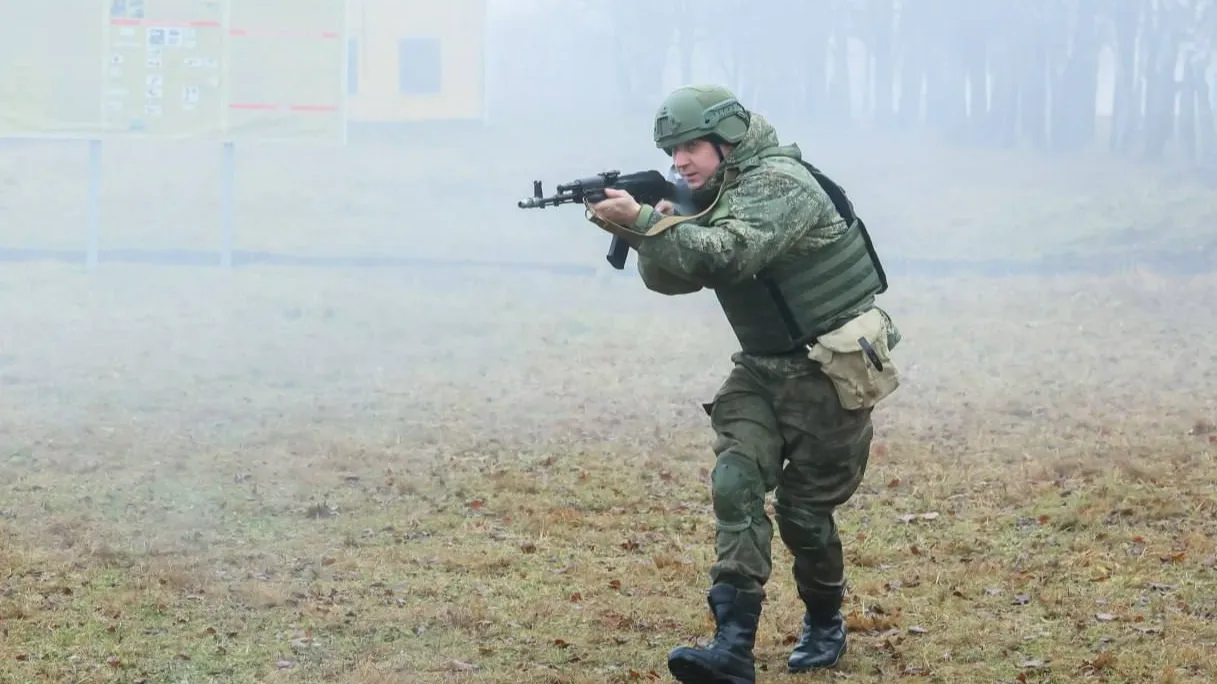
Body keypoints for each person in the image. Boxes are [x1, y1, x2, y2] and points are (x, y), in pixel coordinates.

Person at [585, 84, 902, 683]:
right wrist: (643, 227)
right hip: (759, 370)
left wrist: (647, 220)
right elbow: (675, 279)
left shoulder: (780, 184)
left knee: (804, 518)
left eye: (689, 148)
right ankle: (731, 648)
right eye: (671, 151)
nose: (679, 162)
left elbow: (727, 256)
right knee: (734, 484)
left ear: (728, 141)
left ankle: (825, 619)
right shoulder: (715, 191)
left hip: (826, 374)